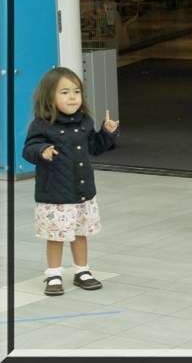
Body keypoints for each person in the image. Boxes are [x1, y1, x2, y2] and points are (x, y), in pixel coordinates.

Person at [22, 67, 120, 296]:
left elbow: (95, 147)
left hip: (81, 191)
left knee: (79, 232)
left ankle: (82, 271)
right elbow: (28, 150)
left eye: (76, 91)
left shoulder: (84, 121)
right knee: (55, 235)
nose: (73, 97)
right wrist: (42, 150)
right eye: (64, 92)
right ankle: (54, 273)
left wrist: (107, 133)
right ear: (49, 97)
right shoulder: (42, 124)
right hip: (54, 194)